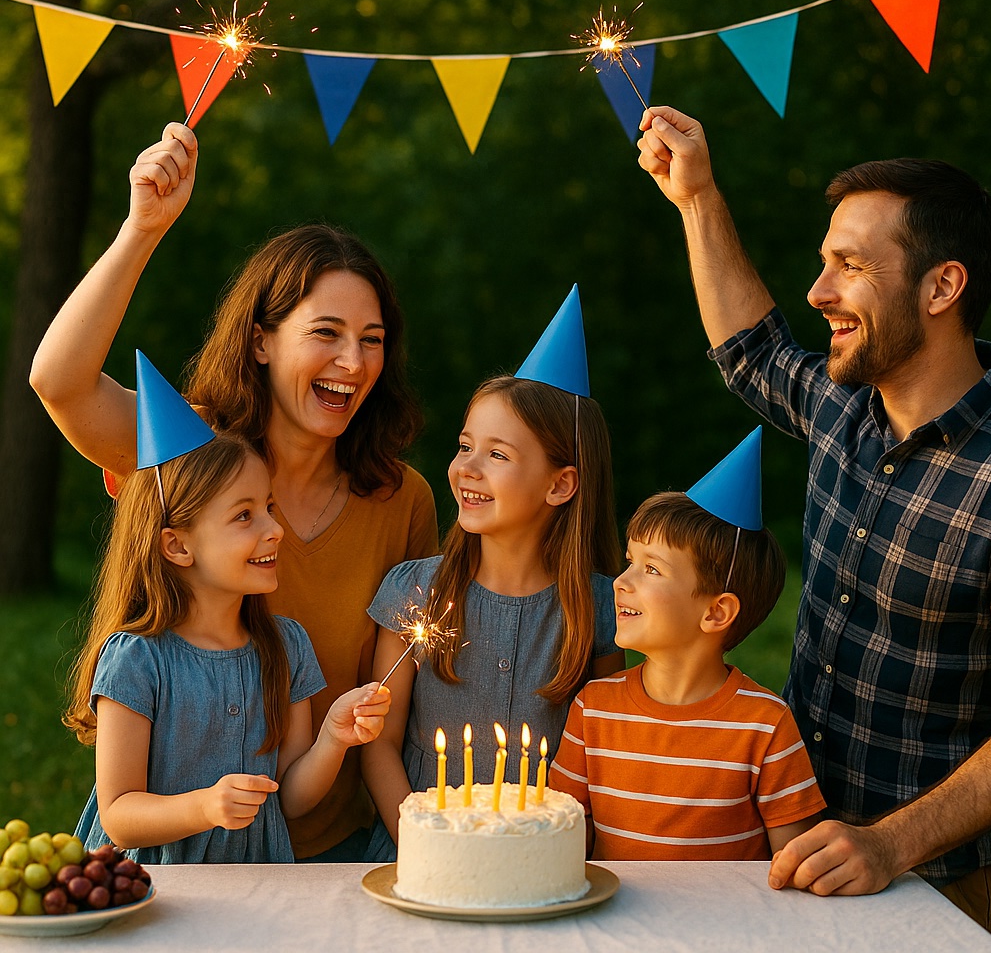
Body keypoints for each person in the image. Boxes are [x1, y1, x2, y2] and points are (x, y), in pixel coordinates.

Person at [638, 104, 991, 940]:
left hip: (935, 888)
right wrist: (697, 198)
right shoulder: (844, 406)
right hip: (792, 849)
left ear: (942, 287)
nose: (818, 293)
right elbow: (752, 350)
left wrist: (889, 844)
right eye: (824, 264)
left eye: (850, 266)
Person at [30, 124, 437, 861]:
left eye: (372, 339)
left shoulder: (401, 498)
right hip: (180, 850)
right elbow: (58, 382)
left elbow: (400, 699)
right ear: (260, 341)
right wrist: (141, 230)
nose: (353, 362)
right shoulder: (195, 454)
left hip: (333, 845)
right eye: (327, 333)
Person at [65, 359, 391, 862]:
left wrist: (333, 737)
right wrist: (204, 806)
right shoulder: (137, 659)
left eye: (269, 508)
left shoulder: (285, 646)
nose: (274, 530)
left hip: (255, 885)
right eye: (244, 515)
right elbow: (119, 815)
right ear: (177, 546)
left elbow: (290, 799)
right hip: (156, 890)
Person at [361, 287, 624, 860]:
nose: (467, 468)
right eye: (465, 446)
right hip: (416, 857)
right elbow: (379, 745)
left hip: (541, 862)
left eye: (498, 455)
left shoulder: (601, 609)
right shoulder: (415, 593)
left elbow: (602, 756)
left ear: (561, 484)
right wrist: (426, 850)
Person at [550, 430, 825, 859]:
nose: (621, 581)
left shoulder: (766, 726)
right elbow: (564, 852)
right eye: (630, 562)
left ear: (716, 612)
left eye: (652, 570)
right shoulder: (592, 709)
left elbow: (793, 868)